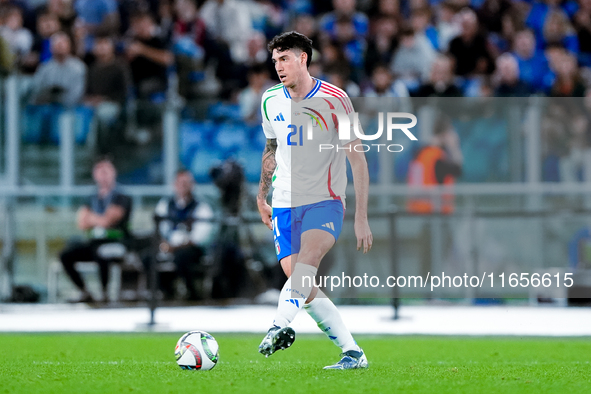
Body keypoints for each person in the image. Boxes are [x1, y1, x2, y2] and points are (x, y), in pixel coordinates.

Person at [256, 31, 372, 370]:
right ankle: (353, 352)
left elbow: (358, 157)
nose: (279, 66)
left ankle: (278, 326)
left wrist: (361, 215)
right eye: (275, 60)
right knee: (302, 285)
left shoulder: (337, 99)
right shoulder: (269, 100)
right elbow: (271, 149)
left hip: (325, 199)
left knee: (306, 264)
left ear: (303, 58)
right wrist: (262, 195)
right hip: (284, 202)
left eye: (285, 59)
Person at [60, 157, 132, 303]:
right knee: (66, 255)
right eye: (100, 171)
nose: (103, 175)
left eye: (106, 171)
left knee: (102, 253)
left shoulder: (122, 197)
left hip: (116, 242)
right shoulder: (91, 197)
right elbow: (81, 223)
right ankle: (84, 291)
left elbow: (108, 220)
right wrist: (99, 219)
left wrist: (92, 218)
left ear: (113, 173)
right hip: (93, 241)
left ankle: (104, 293)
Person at [150, 169, 214, 301]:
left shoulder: (201, 207)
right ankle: (165, 291)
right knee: (147, 257)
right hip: (167, 247)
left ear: (192, 184)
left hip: (189, 249)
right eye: (180, 183)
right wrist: (165, 244)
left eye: (186, 183)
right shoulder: (164, 205)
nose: (183, 186)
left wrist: (177, 246)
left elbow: (200, 237)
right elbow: (159, 229)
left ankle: (192, 293)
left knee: (182, 257)